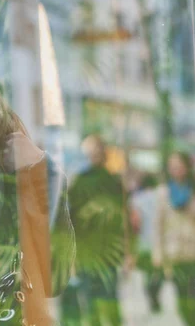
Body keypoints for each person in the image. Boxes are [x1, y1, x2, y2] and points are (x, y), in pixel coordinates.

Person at [62, 134, 127, 326]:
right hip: (87, 251)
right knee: (91, 300)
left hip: (108, 250)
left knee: (110, 298)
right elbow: (70, 221)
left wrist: (127, 252)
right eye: (92, 151)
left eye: (99, 150)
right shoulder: (79, 181)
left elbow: (122, 218)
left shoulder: (114, 181)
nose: (96, 155)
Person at [153, 151, 195, 326]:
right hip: (176, 254)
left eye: (179, 165)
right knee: (183, 300)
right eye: (172, 166)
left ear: (187, 166)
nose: (176, 169)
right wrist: (158, 253)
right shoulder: (164, 193)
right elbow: (158, 225)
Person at [129, 172, 163, 313]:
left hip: (143, 242)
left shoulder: (136, 200)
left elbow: (135, 223)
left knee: (147, 271)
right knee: (158, 270)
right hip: (159, 242)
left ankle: (150, 291)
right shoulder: (160, 197)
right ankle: (155, 291)